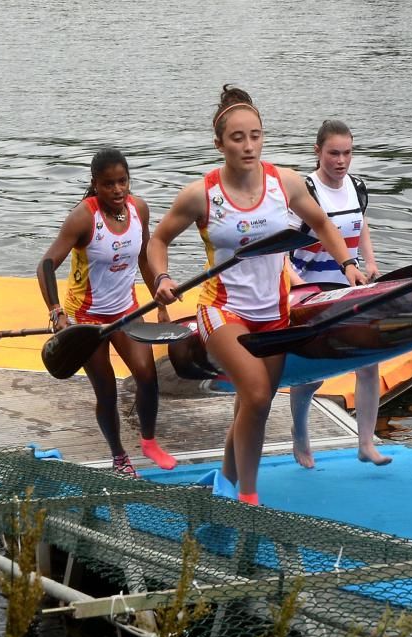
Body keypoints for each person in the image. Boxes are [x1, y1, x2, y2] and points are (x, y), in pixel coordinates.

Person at [148, 86, 365, 505]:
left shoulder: (284, 183)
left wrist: (348, 265)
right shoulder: (201, 195)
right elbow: (158, 240)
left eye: (256, 136)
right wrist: (161, 278)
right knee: (259, 394)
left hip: (274, 311)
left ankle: (225, 485)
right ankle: (249, 498)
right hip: (221, 310)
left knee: (254, 406)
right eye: (237, 138)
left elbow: (321, 224)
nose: (248, 146)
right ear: (219, 143)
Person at [38, 148, 177, 477]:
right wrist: (56, 311)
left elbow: (144, 258)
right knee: (107, 389)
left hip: (126, 310)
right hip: (88, 318)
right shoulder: (83, 218)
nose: (117, 190)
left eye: (122, 182)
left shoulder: (138, 209)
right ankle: (118, 456)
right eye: (108, 184)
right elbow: (45, 266)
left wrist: (159, 295)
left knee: (147, 375)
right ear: (95, 185)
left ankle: (149, 441)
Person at [287, 120, 390, 469]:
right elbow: (280, 249)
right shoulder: (305, 192)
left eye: (347, 153)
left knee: (369, 364)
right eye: (333, 153)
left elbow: (361, 227)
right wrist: (296, 287)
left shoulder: (357, 187)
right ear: (318, 152)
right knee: (312, 376)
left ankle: (365, 444)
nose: (341, 160)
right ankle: (300, 434)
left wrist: (371, 264)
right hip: (311, 291)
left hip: (350, 286)